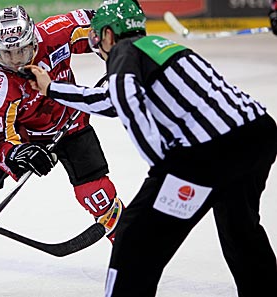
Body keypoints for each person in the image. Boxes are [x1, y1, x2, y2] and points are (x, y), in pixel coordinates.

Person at [26, 1, 277, 296]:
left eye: (97, 36)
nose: (96, 43)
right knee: (241, 231)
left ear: (109, 35)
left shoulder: (123, 52)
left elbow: (128, 103)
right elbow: (109, 101)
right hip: (258, 135)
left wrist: (161, 169)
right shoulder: (158, 47)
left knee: (134, 239)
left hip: (210, 152)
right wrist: (52, 88)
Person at [0, 5, 127, 294]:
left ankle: (130, 254)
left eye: (21, 51)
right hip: (21, 137)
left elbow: (101, 23)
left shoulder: (56, 33)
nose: (13, 60)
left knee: (98, 195)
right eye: (6, 53)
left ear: (34, 39)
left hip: (69, 123)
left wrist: (120, 42)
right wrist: (17, 155)